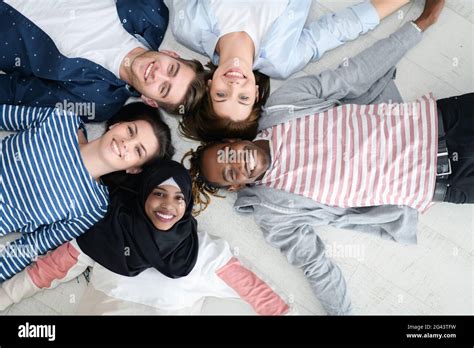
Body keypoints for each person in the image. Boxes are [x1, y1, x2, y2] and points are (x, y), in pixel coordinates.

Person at [183, 0, 448, 314]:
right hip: (439, 180)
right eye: (230, 173)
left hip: (439, 121)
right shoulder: (275, 214)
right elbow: (315, 265)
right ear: (238, 186)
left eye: (227, 153)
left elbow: (354, 74)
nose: (236, 162)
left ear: (232, 140)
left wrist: (420, 25)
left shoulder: (286, 105)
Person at [169, 0, 411, 141]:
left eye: (221, 95)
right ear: (255, 94)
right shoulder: (281, 60)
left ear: (210, 85)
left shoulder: (188, 27)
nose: (234, 86)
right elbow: (339, 28)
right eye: (242, 98)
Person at [0, 102, 173, 281]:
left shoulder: (94, 207)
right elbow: (4, 115)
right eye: (130, 131)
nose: (125, 143)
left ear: (134, 169)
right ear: (117, 124)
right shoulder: (62, 120)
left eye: (138, 150)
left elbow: (33, 246)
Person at [0, 0, 206, 121]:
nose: (157, 73)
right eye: (171, 69)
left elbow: (21, 93)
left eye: (163, 88)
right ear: (172, 55)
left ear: (150, 100)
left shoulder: (97, 103)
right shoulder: (152, 12)